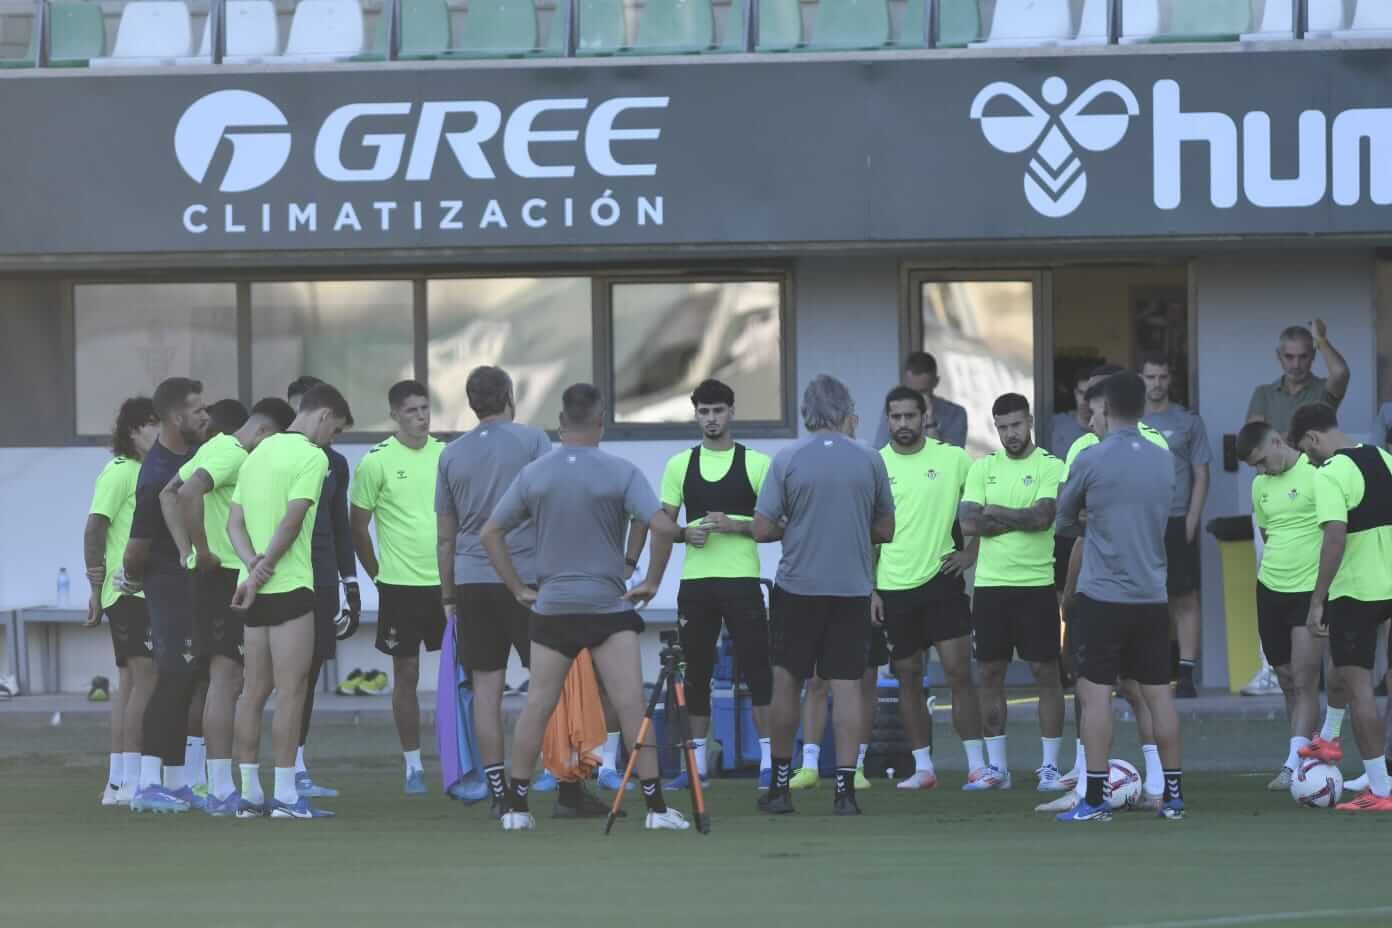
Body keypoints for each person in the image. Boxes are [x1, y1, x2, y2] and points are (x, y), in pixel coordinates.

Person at [481, 383, 688, 832]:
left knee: (537, 705)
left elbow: (490, 533)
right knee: (632, 706)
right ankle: (656, 811)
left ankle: (516, 809)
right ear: (601, 423)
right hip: (608, 609)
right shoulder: (622, 471)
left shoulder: (536, 472)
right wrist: (651, 581)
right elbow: (662, 527)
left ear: (560, 424)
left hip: (552, 607)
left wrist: (517, 587)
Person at [753, 375, 895, 816]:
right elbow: (886, 529)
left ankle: (780, 787)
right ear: (847, 411)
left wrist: (794, 527)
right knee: (848, 686)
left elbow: (761, 528)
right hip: (851, 588)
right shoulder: (870, 459)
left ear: (806, 412)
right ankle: (845, 792)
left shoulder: (788, 458)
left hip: (797, 588)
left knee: (788, 682)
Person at [1055, 372, 1184, 822]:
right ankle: (1173, 797)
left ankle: (1093, 800)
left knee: (1095, 697)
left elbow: (1063, 518)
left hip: (1102, 596)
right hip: (1151, 595)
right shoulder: (1164, 460)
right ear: (1143, 408)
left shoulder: (1090, 459)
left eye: (1094, 409)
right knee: (1158, 696)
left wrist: (1092, 511)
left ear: (1105, 409)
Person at [162, 397, 296, 816]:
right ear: (262, 433)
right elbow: (185, 492)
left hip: (217, 577)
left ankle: (218, 783)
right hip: (223, 578)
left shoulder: (216, 447)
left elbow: (169, 493)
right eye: (271, 444)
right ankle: (221, 789)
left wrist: (187, 551)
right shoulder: (234, 453)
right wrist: (201, 550)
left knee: (224, 679)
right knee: (227, 678)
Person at [227, 383, 353, 819]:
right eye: (333, 430)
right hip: (292, 588)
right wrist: (268, 566)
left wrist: (251, 565)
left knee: (252, 693)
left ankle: (249, 796)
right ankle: (284, 796)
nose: (331, 440)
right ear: (322, 416)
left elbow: (234, 523)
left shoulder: (257, 451)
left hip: (253, 591)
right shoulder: (313, 458)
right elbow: (294, 521)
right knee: (292, 692)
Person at [435, 366, 552, 818]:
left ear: (470, 403)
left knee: (486, 688)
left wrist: (447, 596)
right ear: (508, 395)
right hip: (526, 579)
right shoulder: (533, 441)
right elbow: (552, 506)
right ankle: (542, 778)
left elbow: (445, 537)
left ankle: (499, 788)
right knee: (545, 684)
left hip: (471, 581)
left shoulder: (451, 454)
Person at [657, 379, 775, 792]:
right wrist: (683, 534)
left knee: (759, 672)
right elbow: (662, 524)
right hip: (696, 584)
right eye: (704, 412)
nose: (711, 419)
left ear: (731, 412)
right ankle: (698, 766)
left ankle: (768, 764)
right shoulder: (679, 465)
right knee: (697, 675)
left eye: (718, 411)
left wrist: (736, 526)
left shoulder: (757, 463)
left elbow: (776, 525)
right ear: (696, 415)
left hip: (742, 581)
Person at [873, 386, 987, 790]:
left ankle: (977, 766)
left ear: (925, 417)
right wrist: (871, 588)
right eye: (895, 417)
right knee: (907, 677)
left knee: (959, 673)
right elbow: (866, 532)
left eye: (909, 416)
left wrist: (970, 553)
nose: (903, 424)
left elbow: (980, 506)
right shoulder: (875, 464)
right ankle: (923, 769)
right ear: (887, 420)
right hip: (893, 586)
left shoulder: (954, 459)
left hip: (943, 582)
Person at [959, 393, 1067, 791]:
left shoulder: (1051, 465)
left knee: (1046, 673)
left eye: (1016, 425)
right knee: (989, 672)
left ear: (1030, 421)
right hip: (990, 587)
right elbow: (968, 523)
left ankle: (1050, 767)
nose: (1010, 433)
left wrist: (996, 512)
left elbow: (1042, 518)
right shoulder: (982, 467)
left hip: (1037, 585)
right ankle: (998, 769)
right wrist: (1011, 517)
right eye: (1003, 427)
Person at [1289, 403, 1392, 811]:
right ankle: (1329, 741)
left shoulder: (1331, 473)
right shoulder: (1385, 456)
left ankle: (1381, 791)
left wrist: (1318, 600)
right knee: (1342, 674)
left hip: (1357, 591)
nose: (1307, 459)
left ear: (1314, 438)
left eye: (1306, 450)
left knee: (1359, 686)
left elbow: (1335, 537)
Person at [1235, 420, 1348, 790]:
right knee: (1285, 679)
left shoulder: (1318, 477)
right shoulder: (1259, 487)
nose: (1261, 470)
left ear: (1278, 442)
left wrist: (1321, 593)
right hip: (1270, 589)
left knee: (1304, 679)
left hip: (1307, 591)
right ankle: (1304, 754)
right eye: (1255, 466)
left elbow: (1334, 533)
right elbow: (1268, 534)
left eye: (1263, 461)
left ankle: (1293, 765)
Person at [351, 380, 446, 794]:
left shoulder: (447, 455)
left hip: (448, 586)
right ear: (395, 415)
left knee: (462, 675)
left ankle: (466, 761)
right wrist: (377, 576)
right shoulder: (376, 462)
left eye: (425, 408)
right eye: (412, 410)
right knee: (405, 673)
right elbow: (358, 527)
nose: (421, 417)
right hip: (400, 588)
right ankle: (413, 766)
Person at [122, 378, 209, 814]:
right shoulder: (155, 473)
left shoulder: (195, 458)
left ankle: (175, 782)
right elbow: (135, 549)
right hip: (167, 588)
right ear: (177, 417)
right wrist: (132, 580)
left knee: (187, 680)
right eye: (198, 410)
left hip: (195, 588)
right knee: (169, 677)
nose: (205, 416)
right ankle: (146, 783)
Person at [84, 397, 161, 806]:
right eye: (150, 425)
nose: (158, 432)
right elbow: (95, 527)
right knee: (145, 681)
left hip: (143, 591)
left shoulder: (150, 470)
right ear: (132, 431)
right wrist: (95, 589)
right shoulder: (119, 472)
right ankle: (132, 780)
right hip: (128, 593)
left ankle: (116, 782)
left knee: (131, 684)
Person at [287, 376, 359, 799]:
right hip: (277, 577)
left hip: (321, 578)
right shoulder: (272, 455)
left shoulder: (335, 463)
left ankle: (295, 766)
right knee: (255, 680)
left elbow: (340, 528)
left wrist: (350, 584)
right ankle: (225, 772)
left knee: (308, 676)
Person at [1140, 356, 1212, 699]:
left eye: (1162, 376)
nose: (1156, 383)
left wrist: (1192, 520)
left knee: (1184, 598)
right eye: (1150, 376)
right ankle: (1145, 673)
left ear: (1171, 379)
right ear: (1141, 379)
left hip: (1177, 520)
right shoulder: (1128, 420)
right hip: (1139, 524)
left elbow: (1201, 474)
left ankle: (1185, 674)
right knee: (1143, 597)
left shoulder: (1187, 421)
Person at [873, 352, 968, 450]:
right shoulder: (896, 409)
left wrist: (930, 421)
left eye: (922, 392)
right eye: (911, 391)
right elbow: (880, 451)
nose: (915, 397)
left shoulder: (955, 413)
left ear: (936, 382)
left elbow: (951, 459)